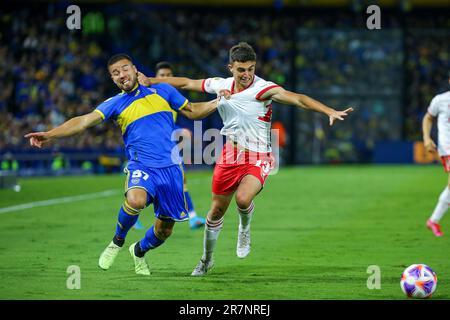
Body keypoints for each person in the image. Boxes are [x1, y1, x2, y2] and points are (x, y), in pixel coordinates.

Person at [138, 42, 353, 276]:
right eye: (241, 69)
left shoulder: (263, 89)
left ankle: (244, 229)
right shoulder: (221, 85)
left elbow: (298, 98)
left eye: (251, 68)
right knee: (215, 212)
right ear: (231, 67)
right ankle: (206, 259)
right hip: (230, 155)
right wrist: (151, 81)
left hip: (258, 155)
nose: (247, 74)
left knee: (242, 198)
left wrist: (328, 111)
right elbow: (187, 82)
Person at [24, 54, 218, 275]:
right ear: (112, 79)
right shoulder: (115, 103)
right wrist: (50, 134)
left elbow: (193, 110)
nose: (121, 75)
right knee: (135, 200)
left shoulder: (163, 90)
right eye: (115, 73)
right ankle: (117, 241)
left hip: (171, 168)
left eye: (124, 69)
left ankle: (139, 251)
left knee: (164, 230)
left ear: (135, 69)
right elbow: (84, 121)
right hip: (142, 166)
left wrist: (219, 101)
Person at [133, 61, 206, 230]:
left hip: (167, 146)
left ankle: (193, 217)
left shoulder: (169, 95)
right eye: (162, 76)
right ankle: (133, 215)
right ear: (154, 78)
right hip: (147, 147)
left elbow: (167, 125)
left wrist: (181, 131)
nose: (166, 78)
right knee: (146, 183)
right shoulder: (147, 96)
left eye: (169, 76)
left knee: (180, 179)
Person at [422, 74, 450, 237]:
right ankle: (434, 220)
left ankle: (433, 220)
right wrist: (426, 138)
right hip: (448, 147)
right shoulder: (440, 100)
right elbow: (428, 117)